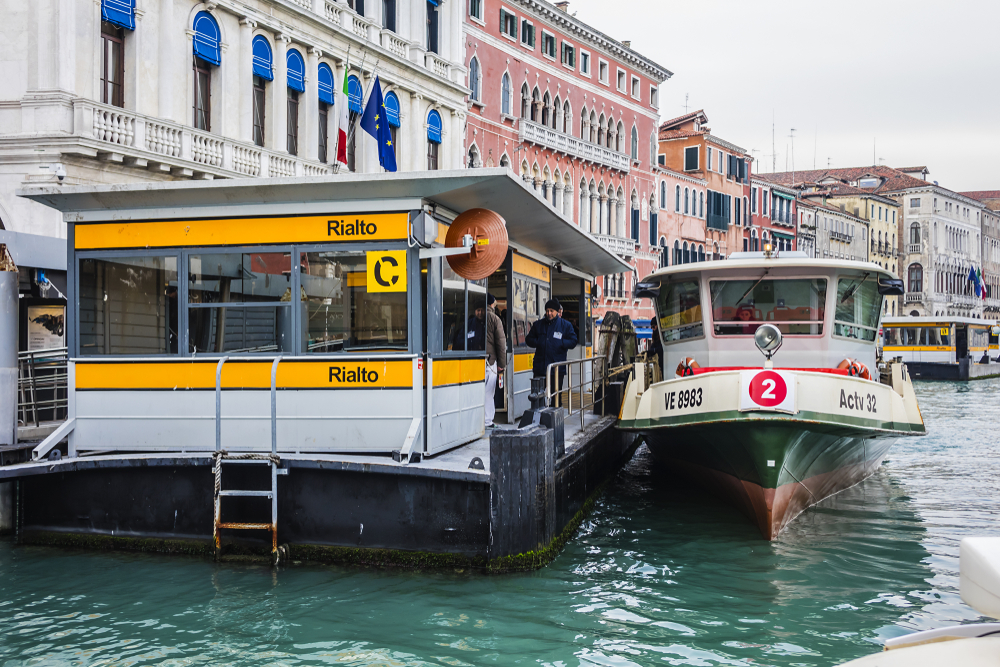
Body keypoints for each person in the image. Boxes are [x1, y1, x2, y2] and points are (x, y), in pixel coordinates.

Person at [525, 298, 578, 405]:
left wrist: (561, 343)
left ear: (557, 312)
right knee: (537, 395)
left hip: (557, 368)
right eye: (547, 311)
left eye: (551, 311)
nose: (549, 313)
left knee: (556, 396)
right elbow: (528, 339)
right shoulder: (538, 325)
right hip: (540, 367)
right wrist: (539, 341)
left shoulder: (565, 325)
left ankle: (555, 419)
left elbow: (573, 341)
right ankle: (539, 418)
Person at [484, 294, 506, 429]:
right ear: (492, 304)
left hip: (475, 361)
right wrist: (501, 365)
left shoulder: (473, 317)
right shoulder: (494, 319)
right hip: (490, 362)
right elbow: (501, 343)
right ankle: (488, 421)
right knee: (489, 391)